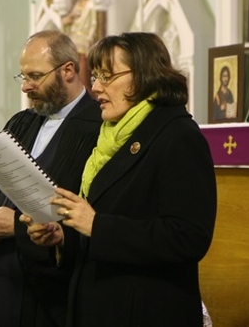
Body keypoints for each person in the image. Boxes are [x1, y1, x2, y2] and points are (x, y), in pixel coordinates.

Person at [22, 32, 217, 326]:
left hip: (147, 311)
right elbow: (106, 222)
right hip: (100, 305)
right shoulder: (110, 138)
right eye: (96, 76)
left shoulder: (177, 137)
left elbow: (188, 237)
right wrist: (62, 237)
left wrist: (97, 225)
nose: (96, 88)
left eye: (106, 77)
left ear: (143, 76)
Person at [0, 30, 102, 327]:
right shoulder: (21, 122)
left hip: (50, 292)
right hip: (1, 280)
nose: (26, 86)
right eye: (23, 76)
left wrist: (15, 226)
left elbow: (91, 208)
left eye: (35, 76)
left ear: (68, 70)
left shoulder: (97, 127)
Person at [61, 0, 97, 89]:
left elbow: (94, 25)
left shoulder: (92, 3)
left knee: (83, 78)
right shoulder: (78, 2)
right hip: (73, 45)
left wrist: (89, 41)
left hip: (84, 47)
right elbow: (67, 22)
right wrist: (68, 19)